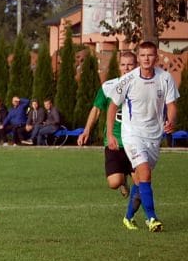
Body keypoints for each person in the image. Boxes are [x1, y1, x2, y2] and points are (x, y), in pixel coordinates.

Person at [107, 40, 179, 232]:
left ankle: (128, 217)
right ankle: (152, 218)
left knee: (140, 181)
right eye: (143, 55)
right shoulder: (128, 80)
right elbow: (112, 106)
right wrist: (110, 135)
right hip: (132, 135)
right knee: (144, 171)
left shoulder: (165, 79)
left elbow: (171, 105)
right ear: (138, 58)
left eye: (150, 55)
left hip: (154, 136)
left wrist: (170, 121)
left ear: (156, 57)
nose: (146, 59)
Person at [77, 51, 138, 210]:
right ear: (119, 67)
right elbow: (96, 110)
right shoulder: (109, 86)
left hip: (136, 141)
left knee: (141, 184)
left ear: (136, 65)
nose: (127, 68)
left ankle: (142, 217)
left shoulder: (142, 87)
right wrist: (86, 131)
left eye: (130, 64)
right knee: (114, 182)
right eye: (123, 65)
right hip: (114, 141)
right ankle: (122, 180)